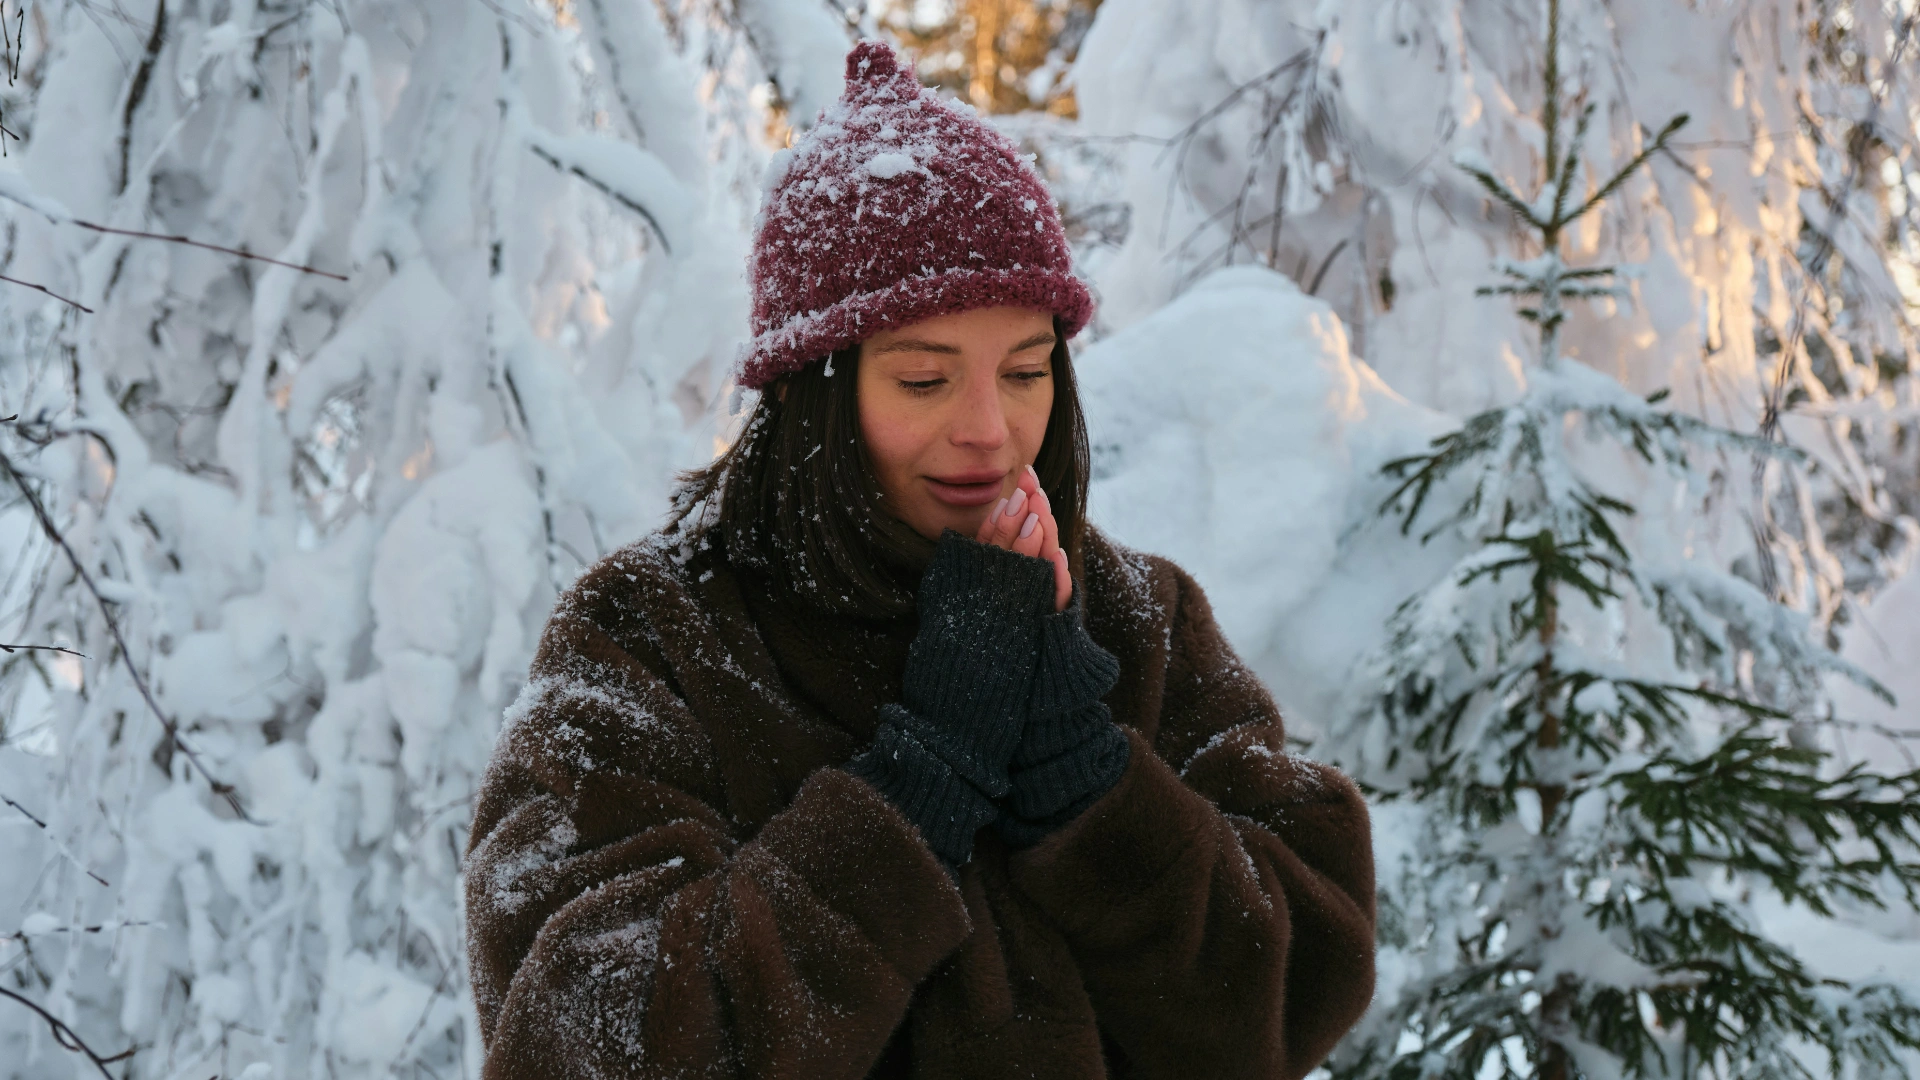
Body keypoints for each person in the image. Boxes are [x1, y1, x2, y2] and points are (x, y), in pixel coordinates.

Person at [464, 39, 1375, 1080]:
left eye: (1027, 371)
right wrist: (916, 782)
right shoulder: (655, 638)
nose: (991, 430)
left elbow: (1301, 983)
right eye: (924, 381)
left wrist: (1085, 776)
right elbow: (581, 1042)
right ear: (818, 389)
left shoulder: (1134, 615)